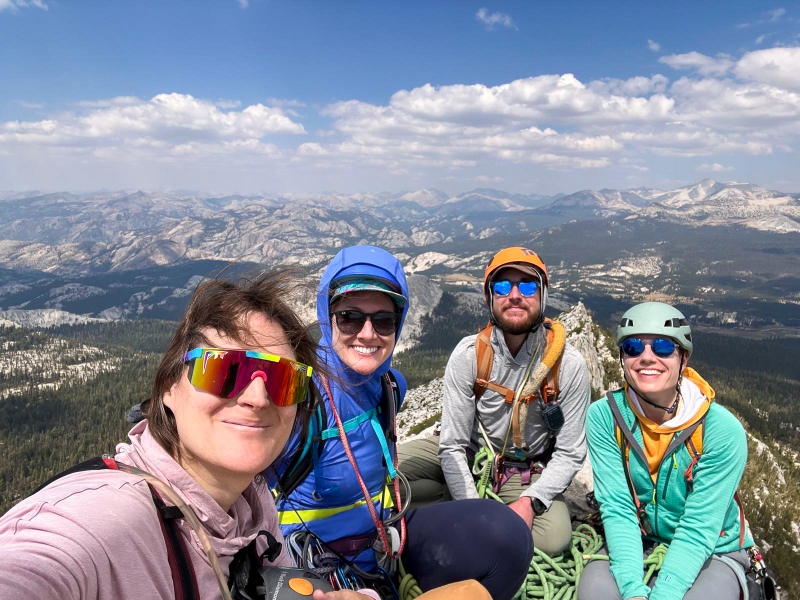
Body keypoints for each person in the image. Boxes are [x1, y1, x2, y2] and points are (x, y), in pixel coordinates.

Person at [0, 272, 388, 600]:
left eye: (283, 379)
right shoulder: (107, 521)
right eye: (224, 370)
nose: (256, 397)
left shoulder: (251, 503)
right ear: (169, 386)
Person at [272, 245, 533, 600]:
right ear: (326, 315)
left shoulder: (390, 387)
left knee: (507, 535)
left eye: (383, 320)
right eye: (349, 316)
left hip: (379, 545)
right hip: (310, 565)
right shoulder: (298, 398)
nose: (367, 333)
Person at [398, 246, 591, 557]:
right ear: (489, 297)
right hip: (468, 450)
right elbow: (452, 445)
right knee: (384, 470)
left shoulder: (567, 365)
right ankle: (454, 501)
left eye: (527, 285)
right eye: (502, 286)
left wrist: (530, 502)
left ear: (542, 295)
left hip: (523, 467)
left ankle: (438, 505)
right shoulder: (470, 355)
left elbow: (570, 453)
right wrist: (475, 511)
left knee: (554, 538)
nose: (514, 295)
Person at [578, 302, 754, 600]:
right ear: (622, 358)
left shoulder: (720, 430)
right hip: (638, 539)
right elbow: (619, 510)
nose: (647, 357)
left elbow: (699, 528)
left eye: (662, 347)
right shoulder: (605, 417)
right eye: (633, 347)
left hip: (714, 547)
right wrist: (633, 591)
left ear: (683, 358)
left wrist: (664, 594)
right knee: (595, 593)